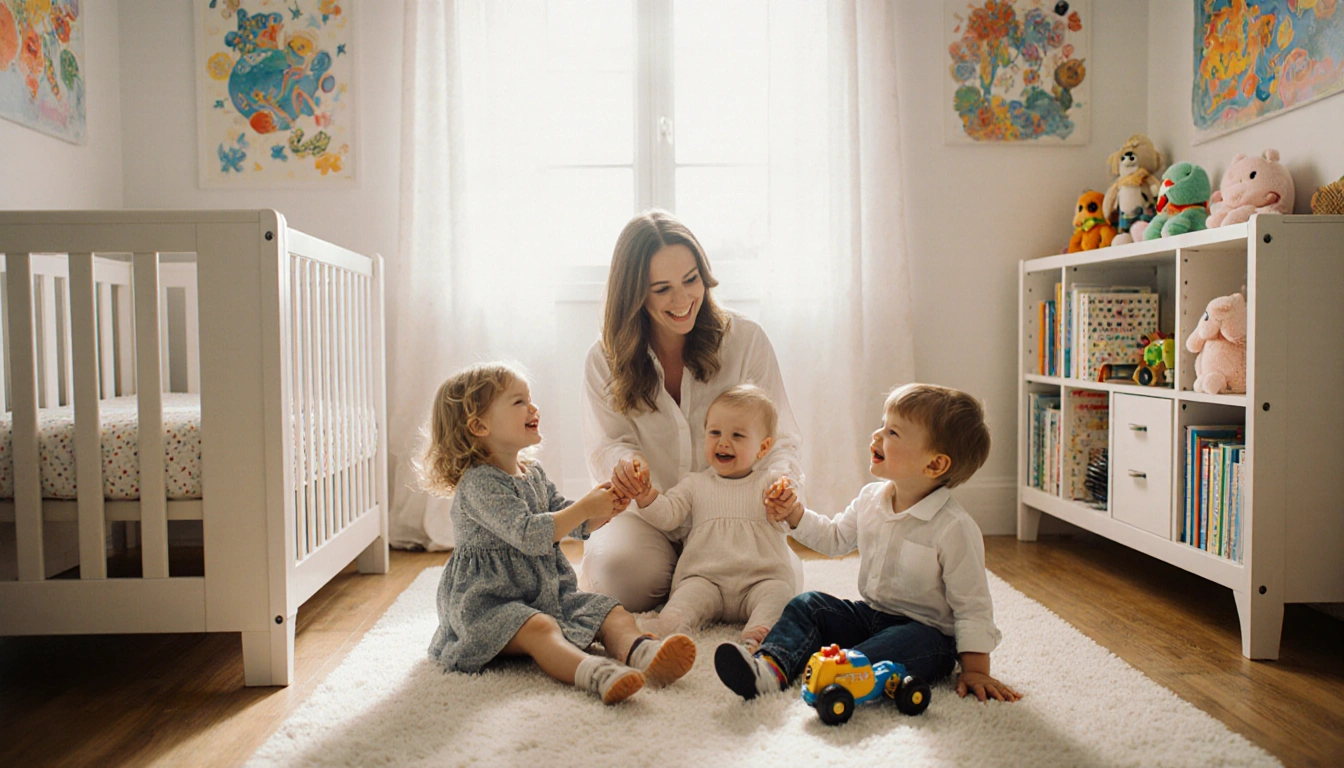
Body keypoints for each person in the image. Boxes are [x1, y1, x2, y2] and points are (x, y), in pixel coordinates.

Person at [713, 383, 1023, 705]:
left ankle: (839, 672)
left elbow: (972, 605)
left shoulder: (954, 528)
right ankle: (769, 668)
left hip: (927, 636)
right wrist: (794, 514)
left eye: (893, 433)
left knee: (895, 645)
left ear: (934, 465)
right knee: (808, 605)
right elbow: (834, 539)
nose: (876, 436)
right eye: (882, 425)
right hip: (872, 616)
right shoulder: (871, 499)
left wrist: (976, 670)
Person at [423, 362, 696, 704]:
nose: (533, 407)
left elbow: (568, 518)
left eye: (530, 399)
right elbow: (529, 533)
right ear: (479, 425)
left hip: (543, 591)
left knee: (611, 611)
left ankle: (643, 652)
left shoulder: (532, 472)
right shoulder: (478, 484)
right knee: (540, 629)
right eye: (518, 401)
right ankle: (595, 673)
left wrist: (607, 507)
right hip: (490, 604)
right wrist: (585, 507)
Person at [581, 209, 806, 613]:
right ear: (634, 294)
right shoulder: (604, 359)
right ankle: (692, 581)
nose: (683, 299)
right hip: (648, 513)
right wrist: (629, 467)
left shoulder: (746, 340)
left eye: (691, 280)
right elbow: (608, 443)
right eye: (662, 288)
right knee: (620, 578)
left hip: (733, 516)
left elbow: (780, 438)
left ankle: (699, 582)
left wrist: (781, 484)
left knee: (783, 587)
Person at [623, 385, 798, 649]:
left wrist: (786, 501)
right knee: (686, 597)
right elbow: (668, 515)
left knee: (780, 593)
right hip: (706, 578)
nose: (723, 442)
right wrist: (647, 496)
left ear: (763, 448)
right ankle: (668, 629)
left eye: (737, 435)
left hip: (760, 578)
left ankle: (759, 634)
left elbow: (791, 516)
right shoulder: (694, 483)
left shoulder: (770, 483)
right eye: (714, 433)